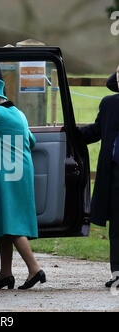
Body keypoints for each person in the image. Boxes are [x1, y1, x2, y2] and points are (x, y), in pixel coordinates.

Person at [0, 77, 46, 290]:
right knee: (6, 220)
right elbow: (32, 141)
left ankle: (34, 269)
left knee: (11, 222)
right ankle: (6, 274)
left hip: (6, 173)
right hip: (21, 170)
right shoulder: (18, 114)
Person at [79, 66, 119, 288]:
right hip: (114, 172)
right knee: (117, 224)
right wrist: (73, 134)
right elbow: (96, 130)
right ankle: (117, 272)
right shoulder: (109, 104)